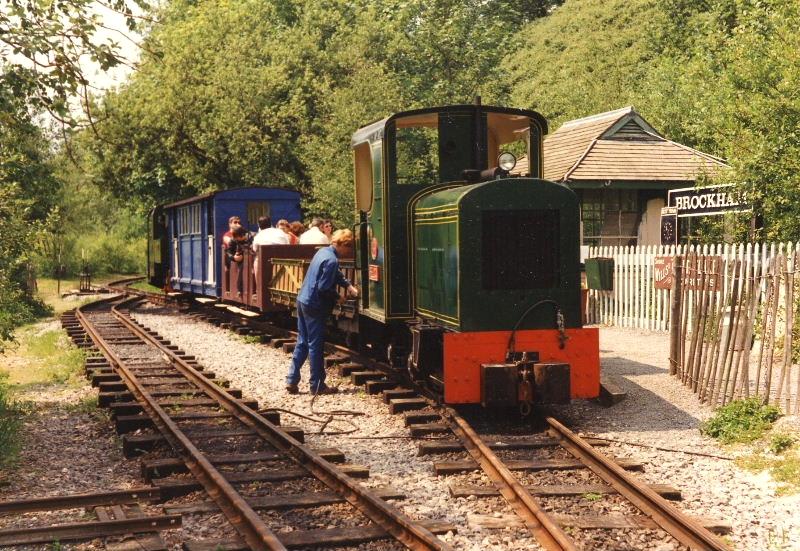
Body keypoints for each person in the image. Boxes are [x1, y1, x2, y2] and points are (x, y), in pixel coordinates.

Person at [286, 229, 359, 395]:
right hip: (315, 305)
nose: (350, 252)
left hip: (303, 300)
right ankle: (317, 385)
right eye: (350, 248)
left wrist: (347, 285)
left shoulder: (323, 252)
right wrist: (337, 297)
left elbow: (334, 274)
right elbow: (324, 287)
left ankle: (291, 379)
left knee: (303, 341)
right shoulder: (332, 260)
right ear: (343, 245)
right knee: (315, 345)